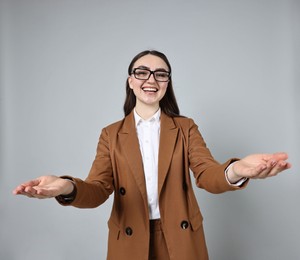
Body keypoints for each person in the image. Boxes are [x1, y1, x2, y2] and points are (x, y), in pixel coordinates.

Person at [13, 50, 291, 260]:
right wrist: (67, 186)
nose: (152, 79)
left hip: (181, 238)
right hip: (130, 239)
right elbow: (98, 190)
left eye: (161, 73)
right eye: (142, 72)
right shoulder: (110, 134)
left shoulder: (185, 128)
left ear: (167, 83)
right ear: (131, 81)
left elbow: (207, 175)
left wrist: (238, 169)